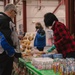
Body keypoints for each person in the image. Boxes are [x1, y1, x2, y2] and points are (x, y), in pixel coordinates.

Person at [0, 3, 21, 75]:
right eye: (15, 12)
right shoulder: (5, 20)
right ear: (12, 11)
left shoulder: (2, 18)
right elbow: (4, 39)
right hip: (5, 54)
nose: (15, 15)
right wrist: (13, 53)